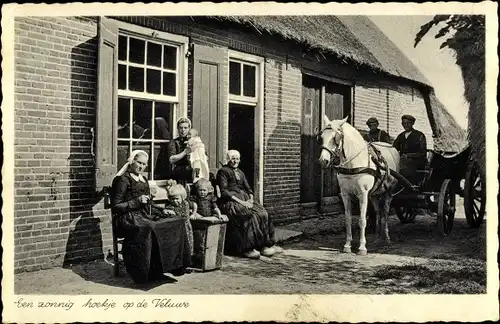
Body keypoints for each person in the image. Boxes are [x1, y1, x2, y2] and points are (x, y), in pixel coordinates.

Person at [110, 150, 191, 283]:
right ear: (132, 162)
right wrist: (136, 201)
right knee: (150, 228)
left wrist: (163, 211)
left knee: (176, 221)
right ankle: (143, 272)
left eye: (144, 164)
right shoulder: (123, 180)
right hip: (126, 218)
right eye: (139, 163)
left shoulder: (144, 179)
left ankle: (165, 268)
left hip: (143, 215)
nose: (141, 167)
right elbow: (116, 206)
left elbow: (149, 204)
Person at [216, 150, 283, 259]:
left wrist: (251, 199)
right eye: (233, 158)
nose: (235, 161)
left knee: (263, 213)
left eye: (237, 159)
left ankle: (264, 245)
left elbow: (248, 188)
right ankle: (247, 248)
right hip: (231, 202)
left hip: (245, 199)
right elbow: (224, 192)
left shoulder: (241, 172)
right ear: (228, 159)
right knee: (249, 216)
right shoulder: (223, 171)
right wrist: (242, 202)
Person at [393, 115, 428, 185]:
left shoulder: (419, 135)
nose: (406, 125)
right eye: (404, 123)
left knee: (403, 168)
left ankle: (406, 186)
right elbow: (394, 148)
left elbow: (423, 153)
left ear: (412, 123)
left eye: (408, 123)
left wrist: (408, 155)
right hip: (403, 161)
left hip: (417, 161)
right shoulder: (401, 136)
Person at [163, 183, 195, 258]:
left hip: (184, 228)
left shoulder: (185, 204)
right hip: (174, 229)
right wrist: (165, 212)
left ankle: (187, 260)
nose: (174, 201)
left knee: (185, 244)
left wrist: (174, 213)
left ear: (182, 197)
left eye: (177, 199)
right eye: (172, 199)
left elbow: (184, 217)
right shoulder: (169, 205)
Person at [167, 117, 193, 184]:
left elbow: (205, 157)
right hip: (179, 171)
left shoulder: (194, 141)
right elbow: (171, 159)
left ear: (189, 129)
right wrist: (185, 152)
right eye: (181, 128)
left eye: (185, 128)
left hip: (193, 169)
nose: (183, 130)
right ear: (178, 129)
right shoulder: (174, 142)